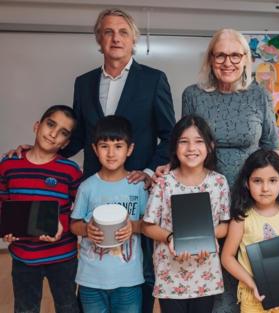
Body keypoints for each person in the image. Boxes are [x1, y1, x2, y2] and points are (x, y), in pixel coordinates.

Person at [4, 8, 176, 311]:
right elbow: (80, 136)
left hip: (136, 185)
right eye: (108, 31)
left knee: (140, 264)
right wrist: (40, 154)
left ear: (134, 39)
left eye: (123, 32)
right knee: (95, 253)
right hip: (95, 182)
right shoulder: (83, 83)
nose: (115, 38)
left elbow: (169, 134)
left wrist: (149, 171)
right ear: (99, 38)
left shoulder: (153, 80)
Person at [154, 28, 279, 313]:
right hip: (205, 196)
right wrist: (169, 167)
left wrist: (277, 193)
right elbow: (187, 138)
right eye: (220, 54)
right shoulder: (193, 95)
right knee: (209, 267)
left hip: (252, 196)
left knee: (251, 264)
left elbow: (272, 147)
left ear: (246, 59)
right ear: (211, 59)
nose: (228, 62)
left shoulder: (260, 96)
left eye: (236, 55)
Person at [142, 115, 231, 313]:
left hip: (205, 275)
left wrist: (206, 236)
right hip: (170, 277)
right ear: (174, 147)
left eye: (199, 141)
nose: (191, 148)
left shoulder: (218, 182)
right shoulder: (164, 183)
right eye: (184, 142)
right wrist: (172, 237)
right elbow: (147, 226)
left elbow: (225, 226)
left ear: (210, 147)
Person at [1, 105, 83, 313]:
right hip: (23, 256)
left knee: (67, 307)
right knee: (25, 308)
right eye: (50, 124)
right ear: (37, 126)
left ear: (66, 143)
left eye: (63, 132)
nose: (54, 134)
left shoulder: (70, 171)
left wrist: (62, 223)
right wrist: (5, 227)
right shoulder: (8, 164)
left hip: (63, 257)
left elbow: (82, 210)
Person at [70, 116, 148, 313]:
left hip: (128, 279)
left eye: (118, 146)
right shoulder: (87, 186)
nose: (111, 153)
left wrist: (133, 226)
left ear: (129, 149)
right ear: (95, 149)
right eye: (104, 146)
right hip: (91, 279)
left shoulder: (138, 186)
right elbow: (74, 224)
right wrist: (87, 229)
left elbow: (147, 225)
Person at [221, 149, 279, 313]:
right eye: (257, 181)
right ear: (247, 183)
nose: (265, 188)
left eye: (272, 180)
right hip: (252, 297)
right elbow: (227, 257)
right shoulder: (241, 218)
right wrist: (253, 284)